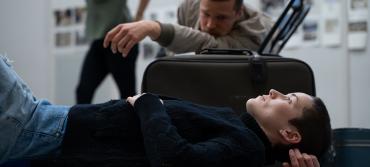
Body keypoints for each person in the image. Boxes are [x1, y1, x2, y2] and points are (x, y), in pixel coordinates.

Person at [0, 54, 331, 167]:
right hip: (53, 125)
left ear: (290, 134)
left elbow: (175, 160)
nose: (274, 91)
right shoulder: (243, 135)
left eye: (287, 100)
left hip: (47, 130)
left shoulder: (245, 149)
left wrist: (148, 103)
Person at [103, 0, 274, 57]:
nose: (209, 25)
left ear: (239, 13)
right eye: (205, 14)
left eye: (221, 18)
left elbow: (213, 47)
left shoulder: (256, 29)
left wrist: (153, 27)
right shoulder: (188, 7)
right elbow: (179, 53)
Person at [75, 0, 150, 104]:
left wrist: (139, 16)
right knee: (83, 91)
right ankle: (82, 120)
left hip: (121, 39)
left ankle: (130, 119)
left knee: (127, 95)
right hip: (99, 40)